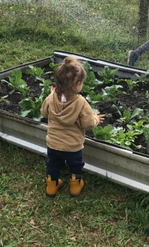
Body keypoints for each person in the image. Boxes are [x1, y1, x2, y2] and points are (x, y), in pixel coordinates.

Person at [41, 56, 105, 198]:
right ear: (76, 85)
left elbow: (44, 112)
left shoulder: (51, 98)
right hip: (73, 146)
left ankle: (51, 185)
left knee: (53, 164)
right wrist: (95, 118)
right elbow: (87, 123)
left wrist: (51, 96)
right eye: (81, 82)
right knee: (75, 165)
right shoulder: (81, 102)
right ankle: (75, 186)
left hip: (53, 143)